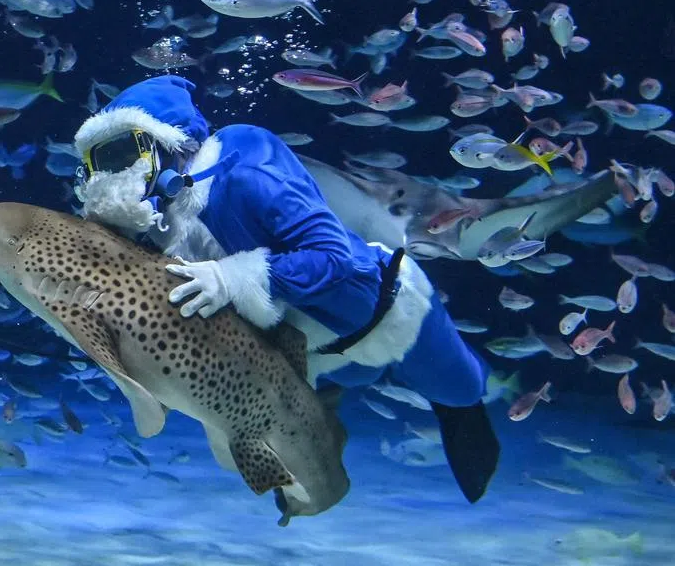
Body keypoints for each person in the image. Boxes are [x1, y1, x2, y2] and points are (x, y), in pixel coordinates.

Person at [72, 75, 499, 504]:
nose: (107, 178)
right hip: (313, 354)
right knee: (322, 423)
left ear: (169, 143)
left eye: (120, 155)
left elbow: (334, 258)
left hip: (389, 316)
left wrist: (234, 277)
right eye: (92, 166)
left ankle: (462, 410)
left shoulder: (247, 172)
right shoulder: (160, 221)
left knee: (459, 390)